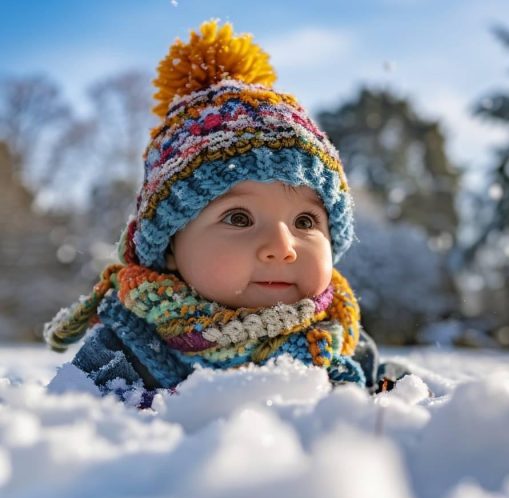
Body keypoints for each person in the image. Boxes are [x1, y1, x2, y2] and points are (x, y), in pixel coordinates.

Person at [44, 20, 390, 404]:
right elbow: (71, 428)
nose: (281, 247)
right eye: (239, 218)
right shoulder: (127, 349)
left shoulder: (338, 340)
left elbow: (397, 404)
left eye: (305, 222)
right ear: (169, 247)